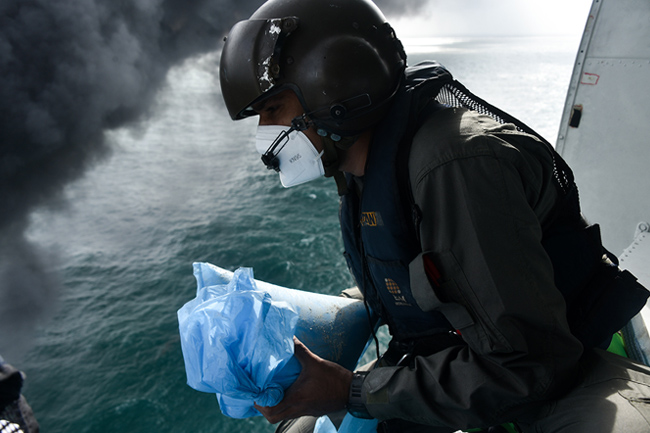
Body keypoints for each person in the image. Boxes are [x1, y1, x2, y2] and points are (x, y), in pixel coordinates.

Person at [218, 0, 650, 432]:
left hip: (566, 370)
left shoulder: (455, 166)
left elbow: (530, 366)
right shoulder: (365, 173)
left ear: (331, 84)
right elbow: (423, 273)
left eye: (273, 110)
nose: (265, 135)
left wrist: (352, 390)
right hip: (470, 362)